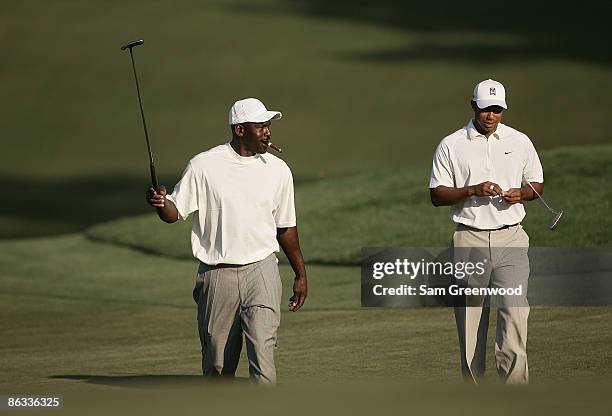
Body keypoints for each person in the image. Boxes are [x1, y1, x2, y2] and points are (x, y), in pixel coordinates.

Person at [146, 97, 308, 384]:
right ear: (239, 129)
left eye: (268, 125)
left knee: (263, 353)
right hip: (217, 275)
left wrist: (300, 274)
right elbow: (175, 212)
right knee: (218, 368)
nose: (268, 132)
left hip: (262, 269)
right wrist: (161, 203)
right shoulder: (204, 166)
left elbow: (286, 227)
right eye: (260, 126)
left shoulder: (278, 170)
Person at [428, 79, 544, 384]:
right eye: (484, 109)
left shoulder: (519, 141)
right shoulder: (451, 144)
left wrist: (523, 194)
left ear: (503, 109)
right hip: (470, 237)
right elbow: (437, 195)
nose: (490, 115)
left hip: (512, 237)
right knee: (470, 323)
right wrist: (472, 190)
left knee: (514, 314)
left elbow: (536, 183)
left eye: (496, 109)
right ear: (473, 106)